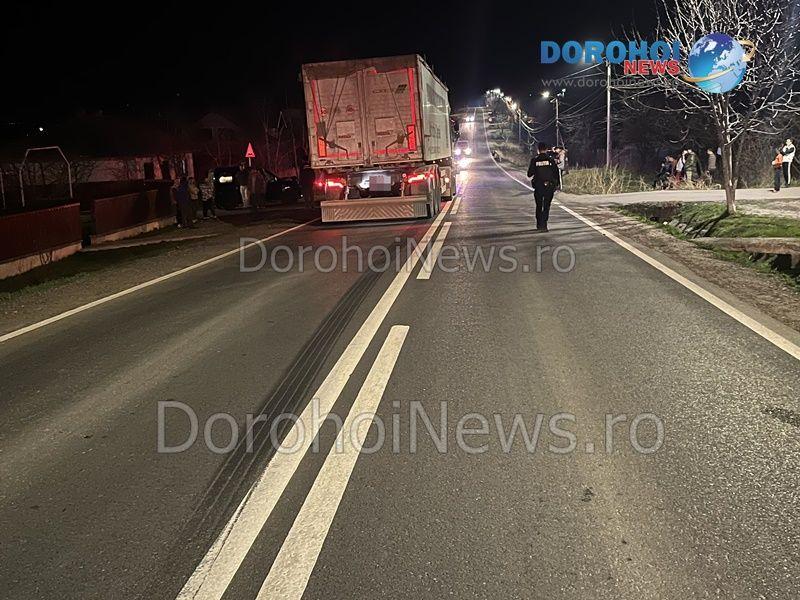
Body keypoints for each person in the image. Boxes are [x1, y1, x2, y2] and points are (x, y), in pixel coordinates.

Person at [527, 142, 560, 232]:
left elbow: (529, 174)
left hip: (538, 186)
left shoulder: (534, 160)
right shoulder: (551, 160)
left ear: (538, 149)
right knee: (546, 206)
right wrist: (557, 185)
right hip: (549, 186)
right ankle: (544, 225)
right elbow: (556, 173)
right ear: (546, 149)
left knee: (539, 205)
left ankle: (539, 225)